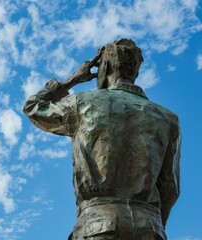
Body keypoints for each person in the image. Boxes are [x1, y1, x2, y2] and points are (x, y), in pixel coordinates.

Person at [23, 39, 181, 240]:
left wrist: (72, 80)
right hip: (150, 227)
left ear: (104, 67)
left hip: (98, 225)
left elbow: (33, 107)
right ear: (136, 71)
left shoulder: (82, 103)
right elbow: (170, 187)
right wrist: (153, 222)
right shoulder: (168, 119)